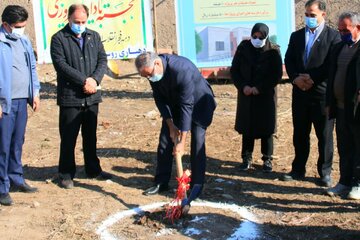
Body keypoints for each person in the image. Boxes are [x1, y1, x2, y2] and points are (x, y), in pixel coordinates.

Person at [135, 52, 216, 203]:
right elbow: (159, 99)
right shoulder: (152, 73)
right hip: (175, 103)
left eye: (149, 74)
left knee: (197, 142)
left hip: (199, 103)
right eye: (145, 76)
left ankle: (197, 184)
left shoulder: (181, 69)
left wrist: (182, 140)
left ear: (157, 64)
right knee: (165, 140)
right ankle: (161, 182)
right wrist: (171, 124)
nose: (149, 78)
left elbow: (187, 104)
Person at [50, 4, 110, 189]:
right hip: (71, 97)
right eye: (77, 22)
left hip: (91, 96)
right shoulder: (59, 38)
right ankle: (66, 173)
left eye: (83, 21)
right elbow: (61, 65)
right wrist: (85, 80)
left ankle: (93, 169)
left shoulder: (94, 36)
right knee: (69, 136)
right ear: (68, 19)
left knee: (90, 135)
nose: (80, 24)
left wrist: (95, 79)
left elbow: (102, 60)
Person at [282, 0, 341, 186]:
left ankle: (325, 172)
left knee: (324, 135)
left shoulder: (333, 36)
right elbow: (289, 59)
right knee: (300, 133)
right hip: (300, 92)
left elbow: (331, 64)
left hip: (322, 93)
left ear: (323, 15)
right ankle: (298, 169)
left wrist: (312, 78)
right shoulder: (296, 36)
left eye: (312, 15)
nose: (308, 18)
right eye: (306, 14)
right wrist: (295, 78)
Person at [0, 5, 40, 206]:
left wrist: (35, 92)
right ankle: (2, 187)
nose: (21, 29)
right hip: (4, 103)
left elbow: (31, 68)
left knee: (17, 142)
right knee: (3, 145)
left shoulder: (24, 41)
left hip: (21, 100)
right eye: (18, 26)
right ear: (5, 24)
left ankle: (16, 178)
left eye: (24, 26)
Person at [230, 23, 282, 173]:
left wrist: (259, 88)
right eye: (255, 36)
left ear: (266, 36)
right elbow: (235, 70)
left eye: (261, 37)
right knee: (247, 127)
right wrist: (243, 86)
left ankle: (267, 159)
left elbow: (276, 75)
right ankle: (246, 158)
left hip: (265, 96)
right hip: (246, 95)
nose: (257, 39)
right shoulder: (243, 47)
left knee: (266, 128)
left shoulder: (273, 50)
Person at [325, 12, 360, 200]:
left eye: (345, 30)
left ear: (357, 28)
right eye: (339, 30)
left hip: (357, 109)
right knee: (344, 147)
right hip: (340, 108)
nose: (342, 34)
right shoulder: (339, 48)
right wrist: (329, 102)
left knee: (358, 148)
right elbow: (332, 76)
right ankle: (344, 182)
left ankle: (358, 184)